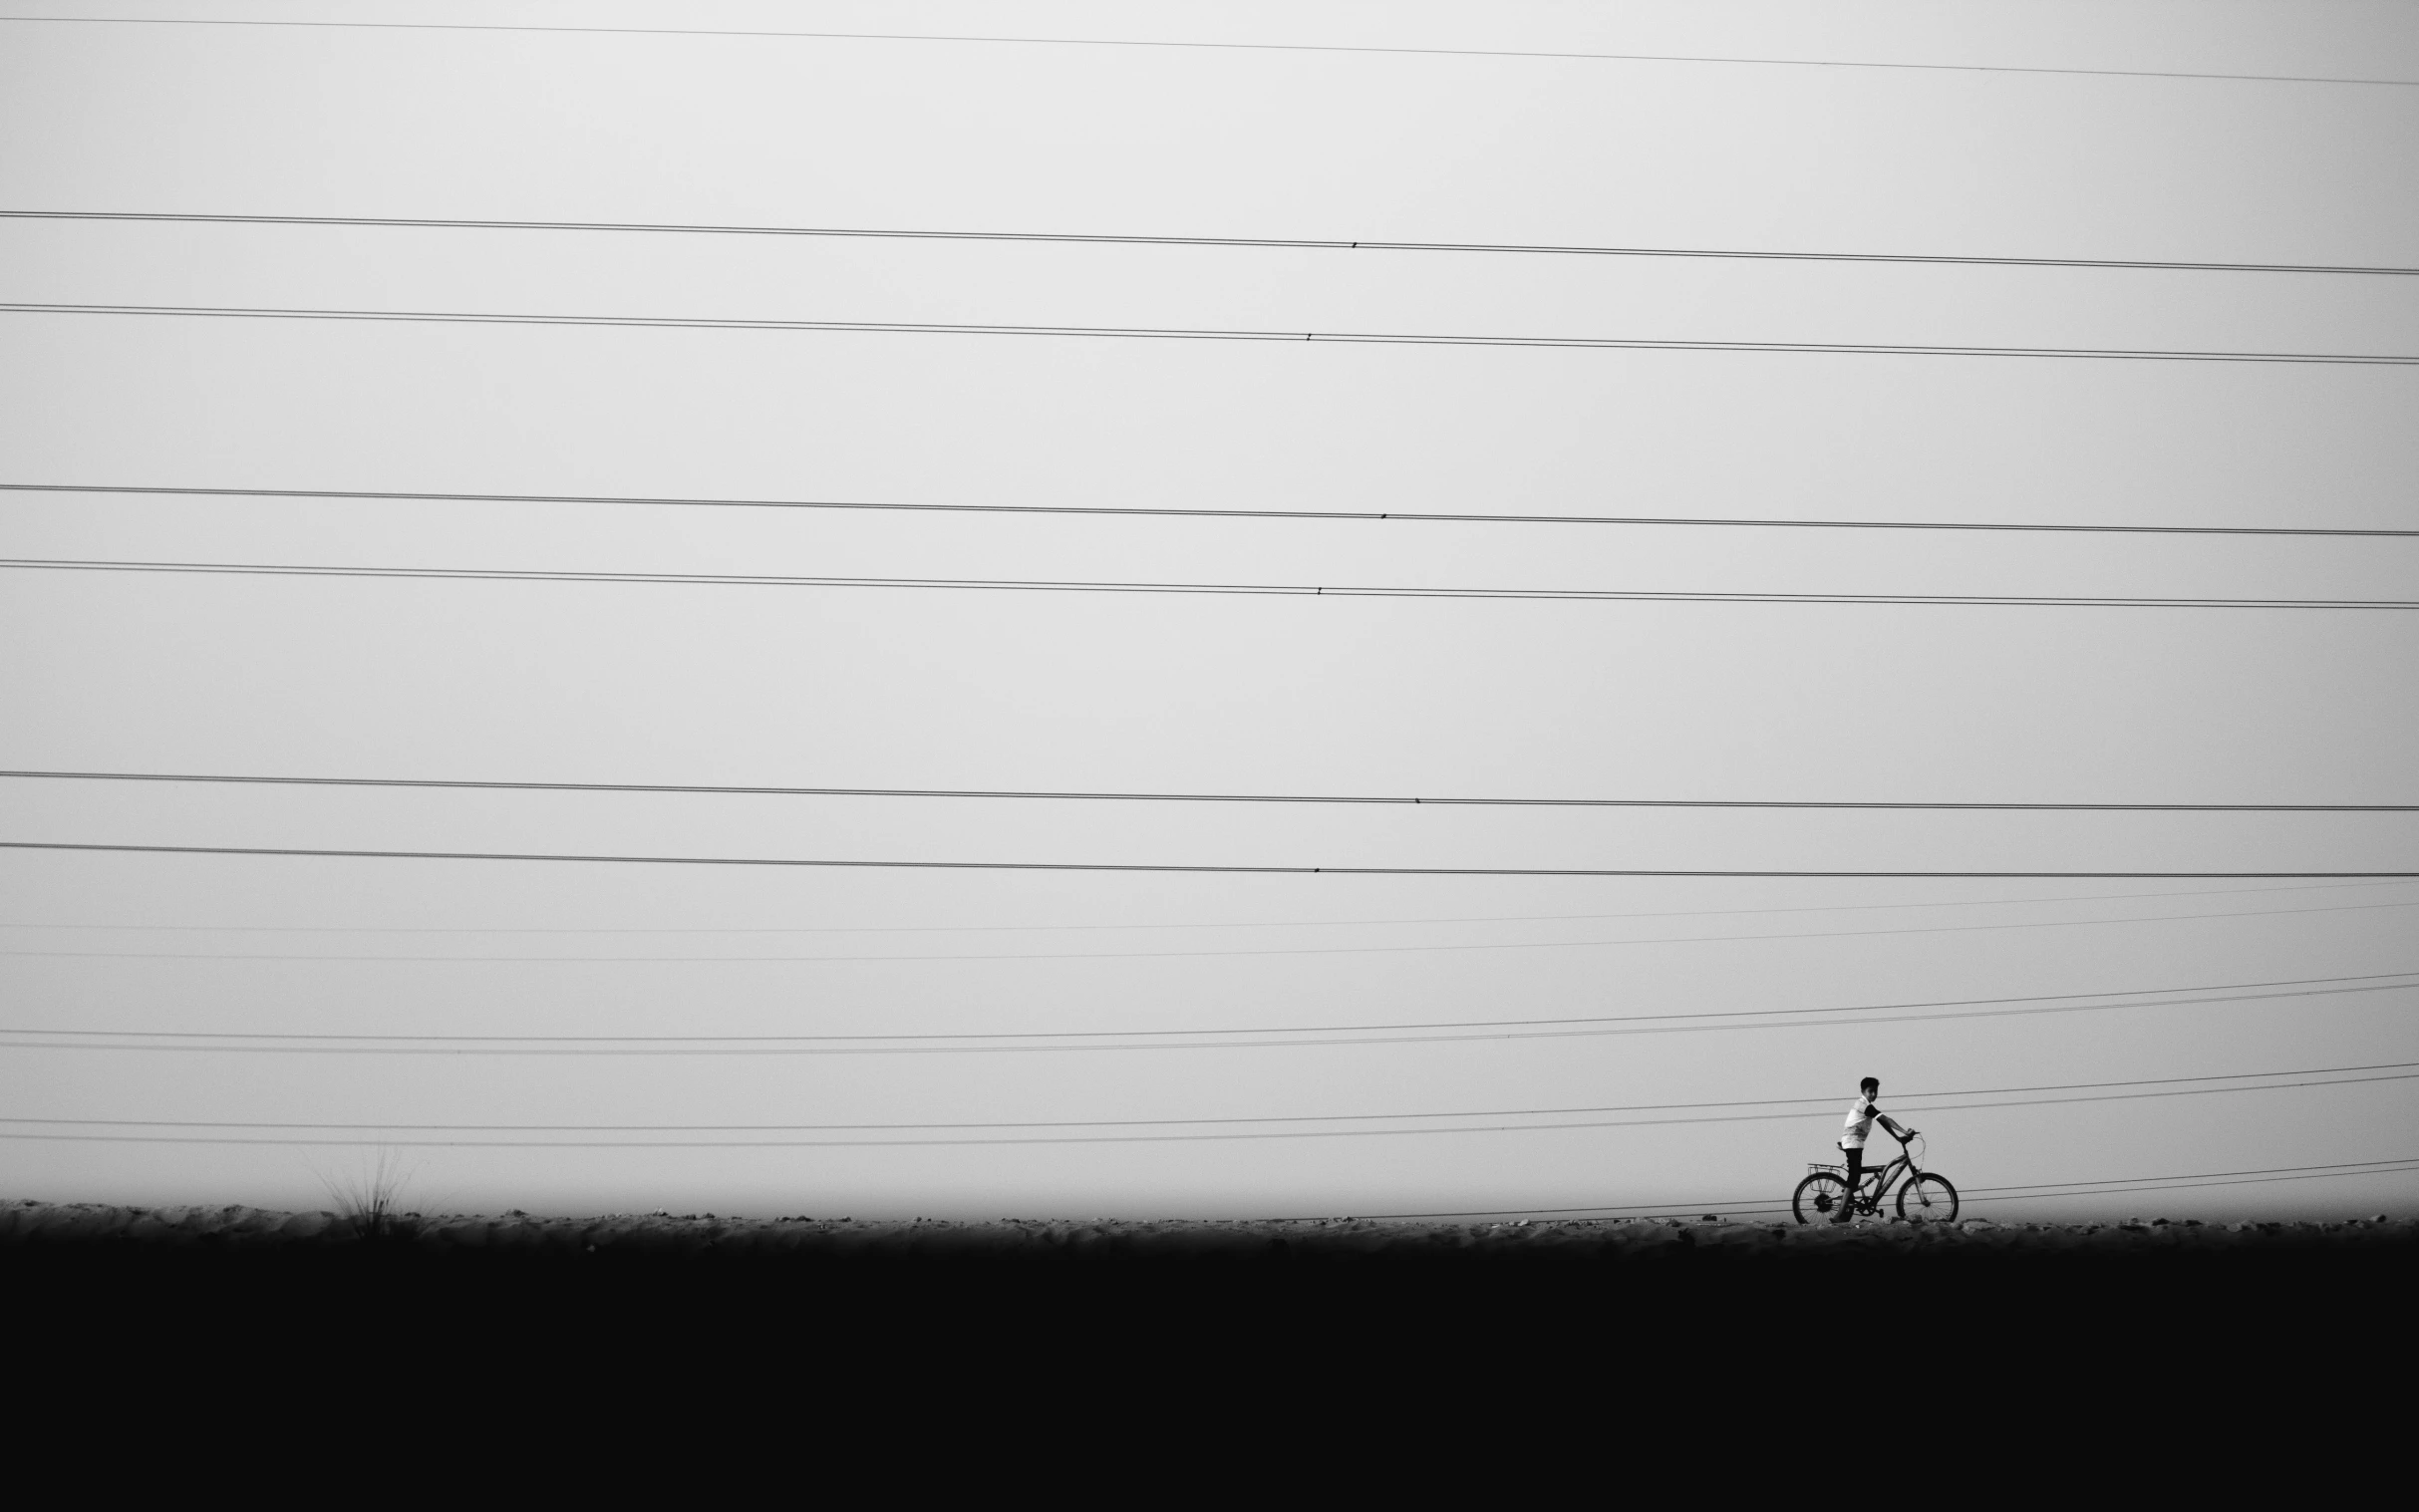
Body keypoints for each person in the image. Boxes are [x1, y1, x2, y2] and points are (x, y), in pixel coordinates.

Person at [1835, 1076, 1915, 1223]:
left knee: (1855, 1176)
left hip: (1855, 1143)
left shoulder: (1868, 1107)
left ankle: (1849, 1199)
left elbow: (1883, 1123)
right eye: (1870, 1091)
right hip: (1852, 1142)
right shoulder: (1863, 1105)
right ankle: (1838, 1216)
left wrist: (1898, 1138)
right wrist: (1904, 1131)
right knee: (1853, 1179)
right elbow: (1886, 1119)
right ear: (1862, 1091)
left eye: (1875, 1091)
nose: (1873, 1094)